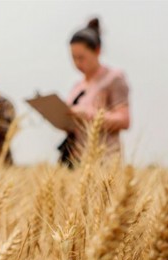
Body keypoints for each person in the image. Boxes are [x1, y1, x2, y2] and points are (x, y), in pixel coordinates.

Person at [59, 18, 131, 167]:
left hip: (104, 160)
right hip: (77, 158)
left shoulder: (113, 78)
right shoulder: (77, 86)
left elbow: (124, 120)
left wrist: (90, 115)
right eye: (73, 58)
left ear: (97, 51)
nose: (77, 63)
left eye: (81, 58)